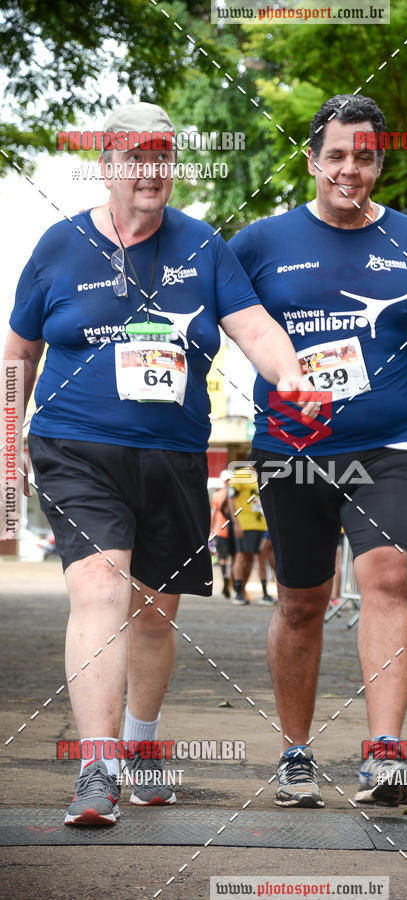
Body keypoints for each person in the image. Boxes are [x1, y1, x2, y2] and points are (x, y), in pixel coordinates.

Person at [4, 101, 315, 826]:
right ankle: (96, 769)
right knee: (100, 593)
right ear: (108, 163)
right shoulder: (59, 245)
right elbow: (18, 355)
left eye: (164, 156)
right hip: (75, 446)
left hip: (172, 454)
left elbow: (255, 327)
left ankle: (140, 747)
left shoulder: (203, 247)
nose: (153, 170)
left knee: (151, 616)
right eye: (138, 156)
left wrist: (292, 374)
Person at [229, 94, 407, 809]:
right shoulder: (258, 243)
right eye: (337, 154)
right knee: (303, 602)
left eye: (365, 156)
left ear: (381, 161)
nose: (351, 168)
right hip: (291, 448)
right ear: (313, 159)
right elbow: (210, 328)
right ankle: (295, 753)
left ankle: (384, 754)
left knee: (389, 581)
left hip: (386, 446)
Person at [227, 462, 275, 605]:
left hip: (262, 524)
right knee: (242, 555)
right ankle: (238, 593)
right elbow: (231, 499)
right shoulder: (241, 475)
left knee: (261, 557)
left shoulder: (263, 476)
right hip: (245, 522)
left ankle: (265, 593)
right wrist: (236, 522)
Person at [210, 469, 235, 597]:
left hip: (221, 529)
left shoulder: (217, 494)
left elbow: (214, 513)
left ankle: (226, 580)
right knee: (233, 558)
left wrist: (211, 529)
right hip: (231, 529)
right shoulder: (234, 494)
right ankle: (230, 582)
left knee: (223, 558)